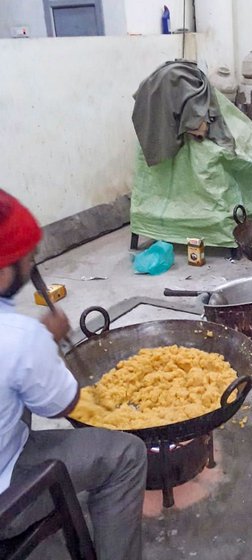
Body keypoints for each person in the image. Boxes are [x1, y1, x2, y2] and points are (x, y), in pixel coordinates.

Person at [0, 189, 147, 559]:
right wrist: (44, 340)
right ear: (4, 272)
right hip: (6, 501)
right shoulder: (19, 338)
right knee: (127, 454)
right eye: (29, 258)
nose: (35, 264)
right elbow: (63, 405)